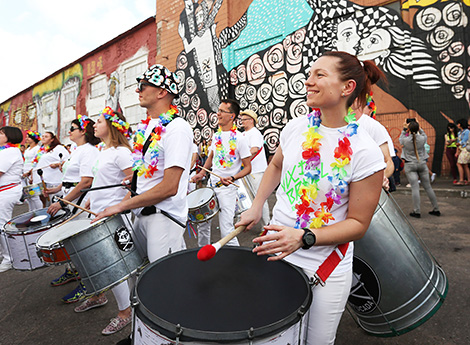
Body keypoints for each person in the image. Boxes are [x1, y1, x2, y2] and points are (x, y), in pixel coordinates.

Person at [236, 51, 386, 345]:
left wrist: (304, 237)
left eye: (320, 75)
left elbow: (358, 223)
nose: (308, 81)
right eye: (309, 74)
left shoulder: (365, 151)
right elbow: (276, 165)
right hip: (275, 247)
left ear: (347, 88)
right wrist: (257, 205)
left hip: (324, 264)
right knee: (269, 336)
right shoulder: (296, 126)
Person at [93, 64, 193, 264]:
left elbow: (170, 187)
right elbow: (149, 174)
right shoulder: (148, 126)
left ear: (162, 92)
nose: (138, 90)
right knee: (138, 276)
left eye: (143, 85)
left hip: (163, 218)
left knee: (164, 283)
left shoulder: (177, 128)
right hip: (141, 214)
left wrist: (120, 206)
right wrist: (135, 182)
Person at [72, 107, 134, 335]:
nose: (94, 125)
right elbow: (100, 181)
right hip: (97, 214)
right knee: (100, 263)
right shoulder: (102, 151)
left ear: (112, 126)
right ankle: (100, 297)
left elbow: (135, 184)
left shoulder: (122, 152)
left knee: (116, 265)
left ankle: (125, 312)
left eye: (98, 121)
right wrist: (89, 200)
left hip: (115, 217)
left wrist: (120, 206)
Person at [47, 115, 100, 303]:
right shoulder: (77, 150)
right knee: (71, 241)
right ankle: (73, 271)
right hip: (71, 200)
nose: (69, 131)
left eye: (73, 128)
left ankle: (90, 285)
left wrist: (62, 202)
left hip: (80, 202)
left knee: (82, 244)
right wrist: (55, 191)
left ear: (83, 131)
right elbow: (72, 178)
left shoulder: (89, 151)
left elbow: (86, 181)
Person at [191, 99, 251, 247]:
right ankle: (203, 254)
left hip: (227, 188)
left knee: (226, 228)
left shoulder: (239, 138)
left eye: (222, 111)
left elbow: (248, 167)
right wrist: (202, 174)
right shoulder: (216, 136)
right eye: (218, 110)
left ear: (232, 116)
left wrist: (232, 177)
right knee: (203, 224)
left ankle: (235, 259)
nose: (218, 113)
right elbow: (211, 157)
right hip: (211, 185)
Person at [350, 94, 394, 190]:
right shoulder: (335, 124)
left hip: (365, 191)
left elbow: (388, 162)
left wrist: (380, 179)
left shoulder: (373, 126)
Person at [399, 120, 440, 217]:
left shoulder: (405, 140)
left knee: (415, 188)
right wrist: (419, 128)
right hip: (422, 163)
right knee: (428, 187)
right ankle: (436, 209)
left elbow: (401, 138)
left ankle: (417, 211)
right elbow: (423, 133)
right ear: (418, 129)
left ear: (409, 129)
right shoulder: (422, 138)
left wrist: (405, 129)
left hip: (410, 164)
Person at [239, 109, 270, 225]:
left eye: (244, 120)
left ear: (251, 120)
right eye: (241, 120)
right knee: (250, 197)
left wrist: (243, 158)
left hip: (256, 170)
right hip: (248, 171)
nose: (242, 122)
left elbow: (254, 149)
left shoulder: (254, 133)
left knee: (259, 197)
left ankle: (266, 224)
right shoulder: (243, 134)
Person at [0, 126, 24, 273]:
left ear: (9, 136)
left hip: (6, 192)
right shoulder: (7, 151)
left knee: (2, 225)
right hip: (6, 191)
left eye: (1, 133)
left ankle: (9, 258)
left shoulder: (10, 152)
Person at [33, 131, 70, 205]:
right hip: (43, 180)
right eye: (42, 136)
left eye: (46, 136)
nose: (43, 138)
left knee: (53, 203)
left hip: (54, 181)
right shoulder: (42, 150)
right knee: (44, 203)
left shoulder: (59, 148)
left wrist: (57, 164)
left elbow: (67, 161)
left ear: (52, 139)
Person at [22, 131, 43, 211]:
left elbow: (36, 162)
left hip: (32, 173)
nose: (26, 139)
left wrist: (30, 173)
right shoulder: (27, 149)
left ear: (34, 139)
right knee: (28, 196)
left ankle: (39, 210)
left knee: (35, 195)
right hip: (25, 173)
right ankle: (31, 211)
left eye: (28, 137)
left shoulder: (37, 149)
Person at [455, 119, 470, 186]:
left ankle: (461, 180)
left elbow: (465, 140)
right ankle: (468, 180)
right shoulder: (459, 132)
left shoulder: (467, 131)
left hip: (466, 149)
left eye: (458, 123)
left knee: (459, 163)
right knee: (465, 165)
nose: (457, 125)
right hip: (462, 149)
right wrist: (457, 151)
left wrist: (459, 143)